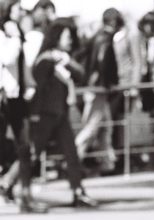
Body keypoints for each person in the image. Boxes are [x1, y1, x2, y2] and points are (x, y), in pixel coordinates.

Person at [30, 18, 97, 207]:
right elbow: (38, 89)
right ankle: (9, 182)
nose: (69, 40)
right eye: (66, 36)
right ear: (57, 37)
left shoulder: (63, 59)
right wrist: (34, 115)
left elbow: (80, 74)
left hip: (60, 114)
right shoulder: (45, 60)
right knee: (34, 152)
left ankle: (78, 191)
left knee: (71, 153)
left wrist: (68, 62)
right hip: (45, 115)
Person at [0, 0, 47, 212]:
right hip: (4, 98)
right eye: (17, 8)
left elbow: (21, 64)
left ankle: (25, 195)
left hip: (17, 97)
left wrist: (30, 85)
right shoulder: (4, 35)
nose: (21, 11)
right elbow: (7, 59)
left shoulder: (17, 33)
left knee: (26, 146)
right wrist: (16, 37)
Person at [75, 7, 120, 174]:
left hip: (94, 87)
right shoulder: (106, 39)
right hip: (99, 88)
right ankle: (73, 158)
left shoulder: (95, 37)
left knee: (105, 125)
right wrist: (108, 81)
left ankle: (108, 161)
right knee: (92, 127)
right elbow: (103, 61)